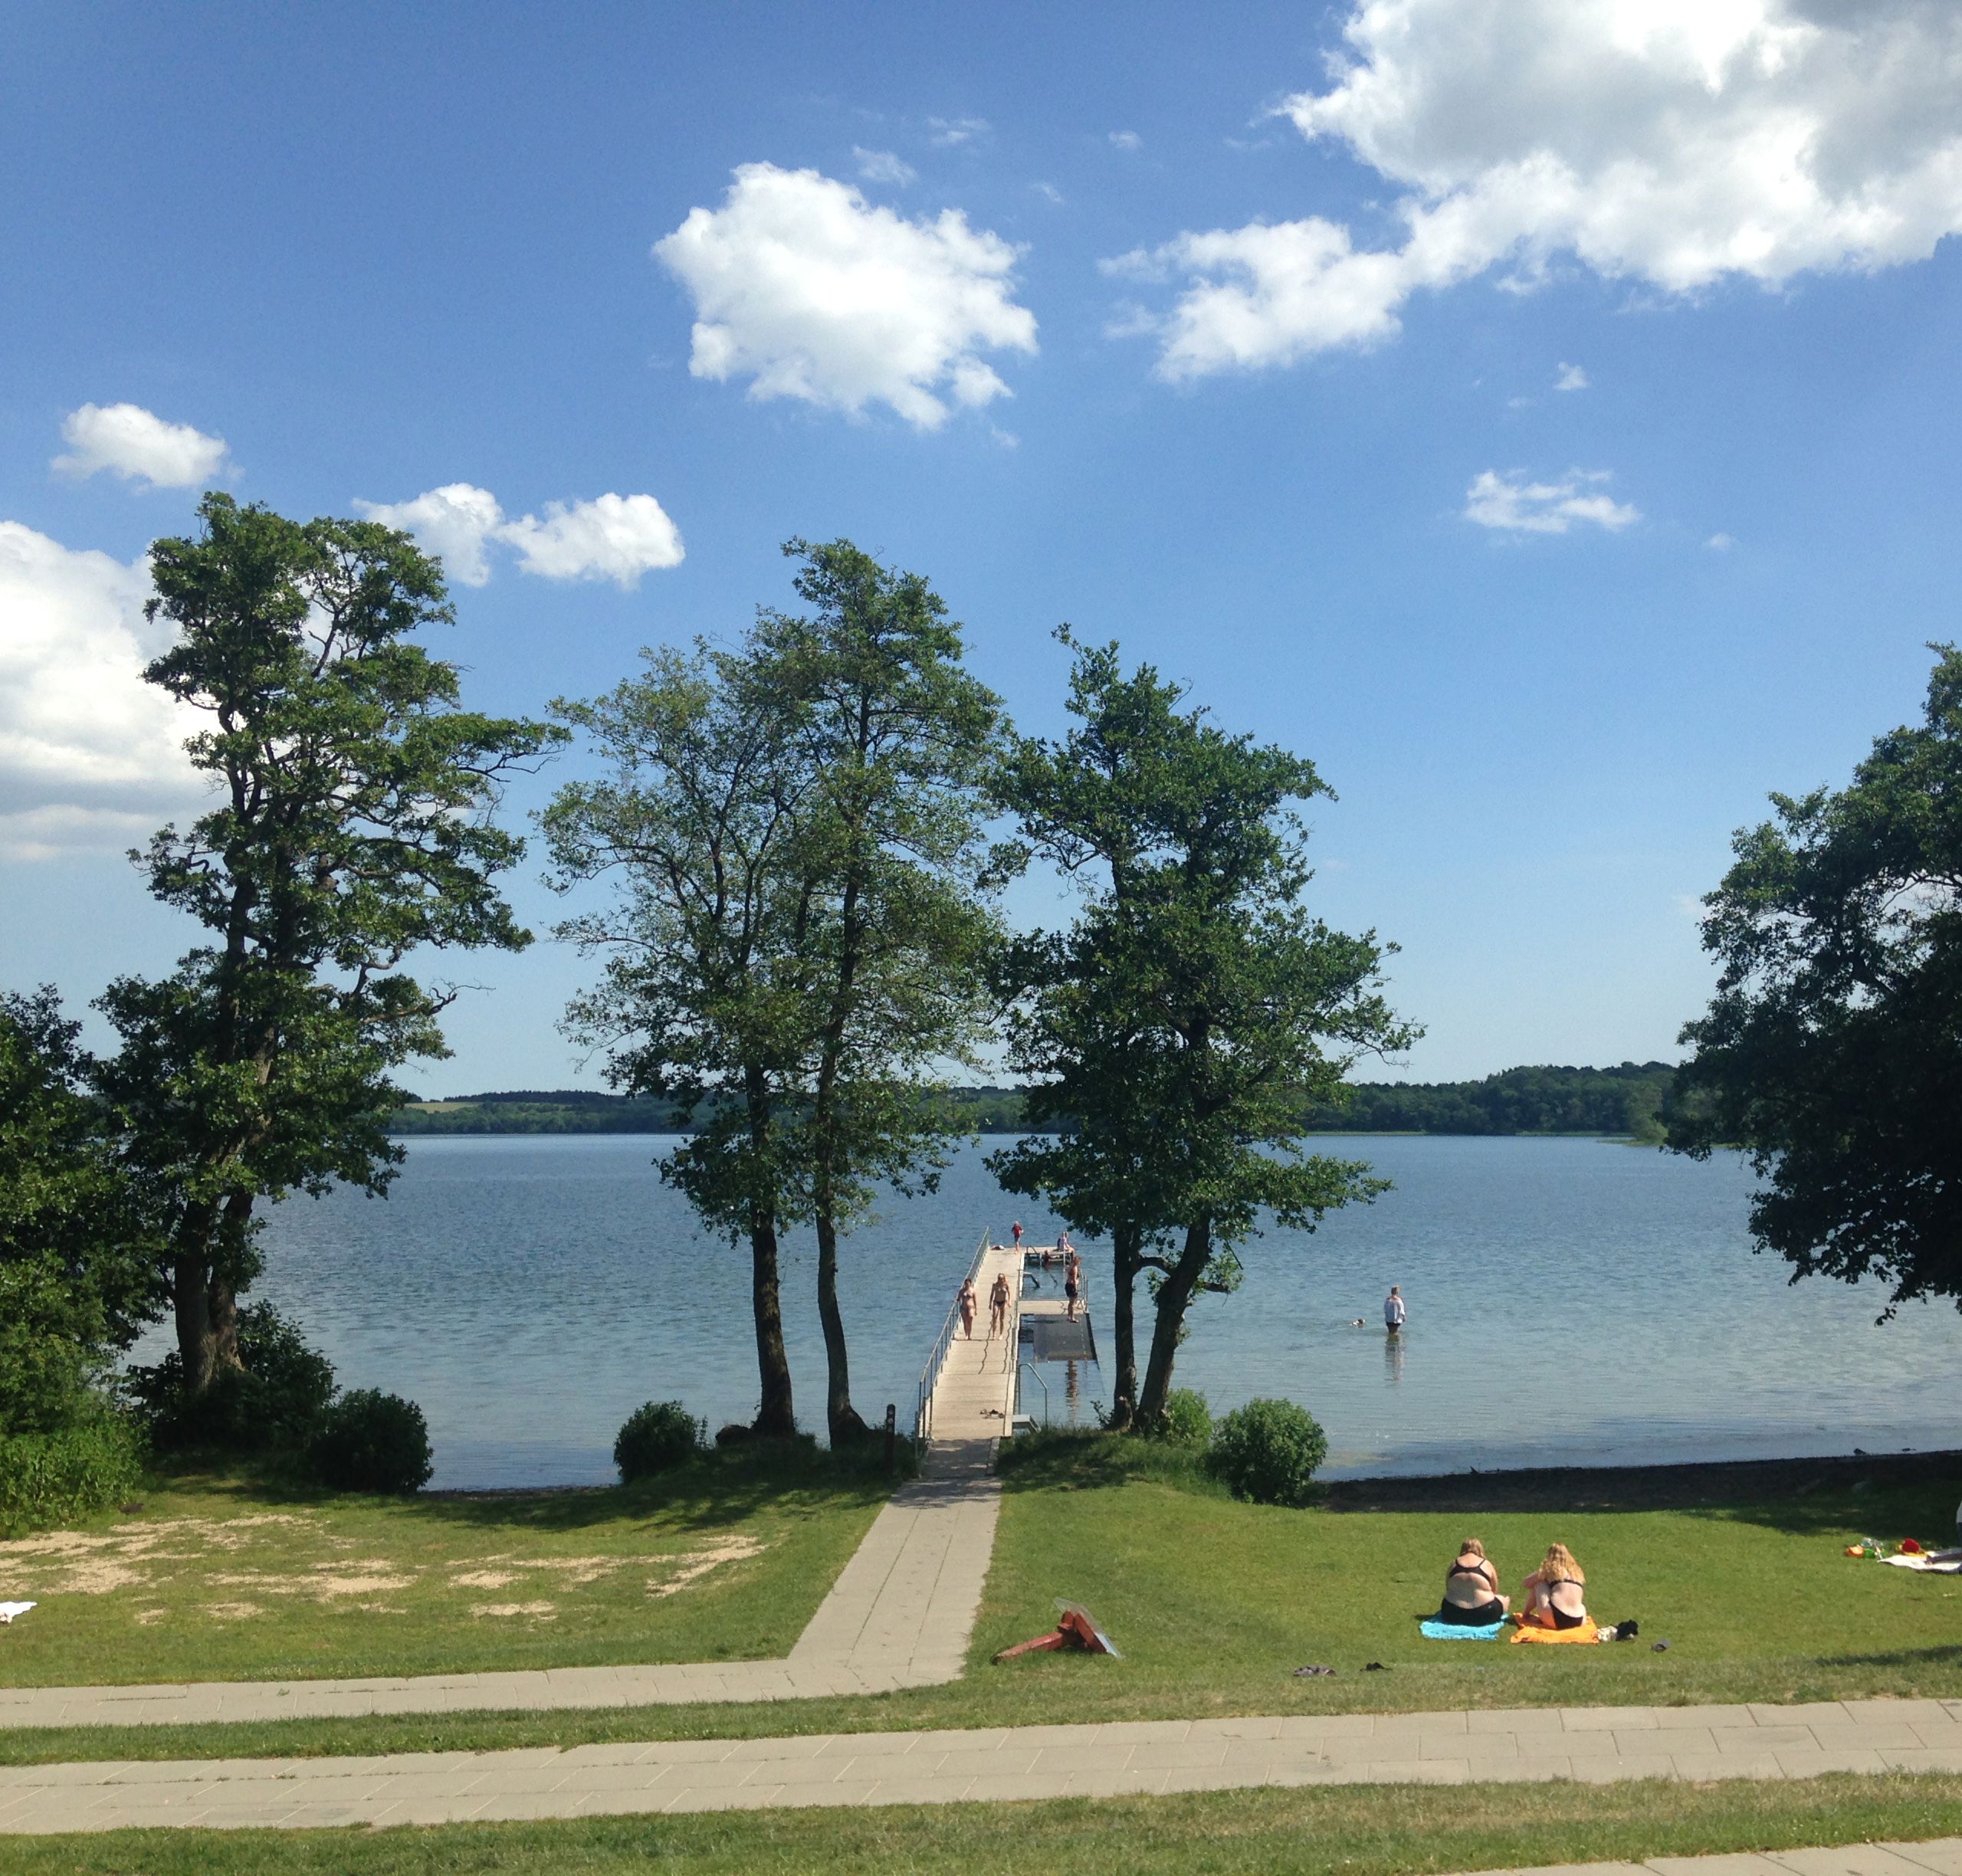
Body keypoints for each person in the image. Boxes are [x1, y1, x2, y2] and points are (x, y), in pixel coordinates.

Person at [1432, 1537, 1509, 1626]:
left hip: (1452, 1612)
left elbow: (1448, 1587)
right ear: (1480, 1549)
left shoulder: (1454, 1564)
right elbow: (1494, 1590)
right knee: (1504, 1599)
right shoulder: (1486, 1564)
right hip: (1485, 1613)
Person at [1520, 1543, 1589, 1629]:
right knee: (1579, 1603)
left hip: (1557, 1618)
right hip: (1579, 1621)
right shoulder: (1576, 1575)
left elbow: (1526, 1583)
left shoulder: (1550, 1569)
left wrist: (1543, 1576)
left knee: (1539, 1584)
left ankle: (1526, 1615)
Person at [989, 1270, 1012, 1338]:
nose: (1000, 1280)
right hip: (996, 1302)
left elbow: (1009, 1293)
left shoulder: (1006, 1285)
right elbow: (992, 1294)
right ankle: (994, 1334)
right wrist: (990, 1303)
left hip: (1003, 1302)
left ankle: (1001, 1334)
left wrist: (1010, 1301)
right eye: (999, 1278)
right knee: (995, 1317)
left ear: (1004, 1279)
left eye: (1001, 1278)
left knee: (1002, 1319)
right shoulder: (995, 1285)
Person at [956, 1276, 978, 1340]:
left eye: (968, 1284)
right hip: (964, 1307)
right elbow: (959, 1298)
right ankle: (966, 1335)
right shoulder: (962, 1291)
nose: (967, 1285)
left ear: (970, 1284)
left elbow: (975, 1300)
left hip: (971, 1307)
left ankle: (969, 1335)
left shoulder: (973, 1291)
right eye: (966, 1284)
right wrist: (956, 1301)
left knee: (970, 1321)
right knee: (965, 1322)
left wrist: (976, 1309)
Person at [1065, 1251, 1082, 1322]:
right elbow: (1074, 1279)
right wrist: (1076, 1288)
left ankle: (1069, 1316)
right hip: (1072, 1286)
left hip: (1068, 1285)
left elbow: (1067, 1272)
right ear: (1078, 1262)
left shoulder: (1070, 1267)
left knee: (1070, 1302)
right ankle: (1072, 1318)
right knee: (1073, 1303)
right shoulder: (1075, 1268)